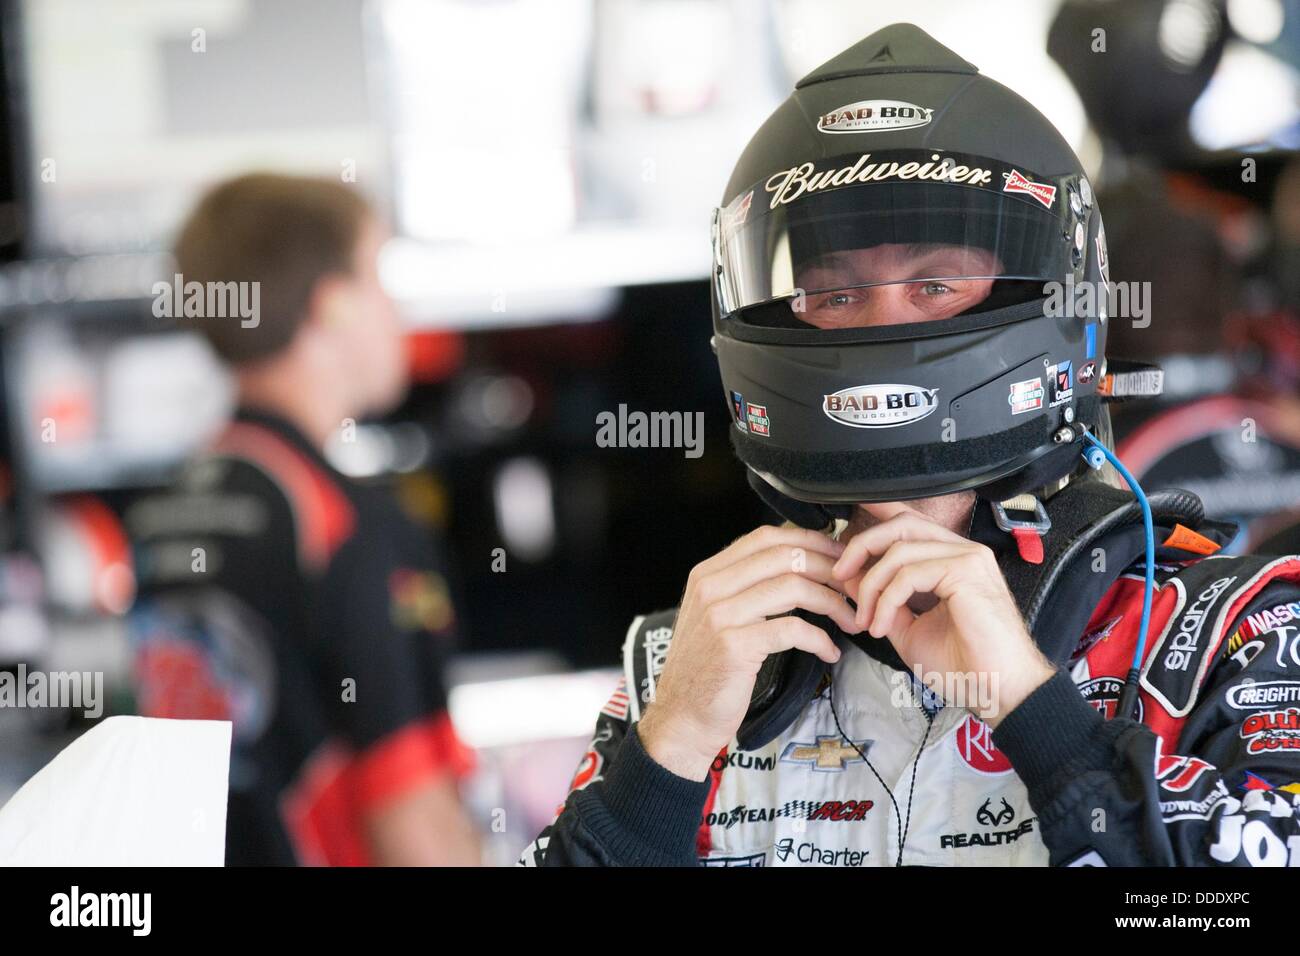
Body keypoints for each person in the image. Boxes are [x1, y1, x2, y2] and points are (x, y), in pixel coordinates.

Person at [521, 24, 1300, 867]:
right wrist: (667, 752)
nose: (885, 323)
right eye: (840, 294)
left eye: (935, 284)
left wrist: (1032, 709)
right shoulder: (685, 660)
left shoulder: (1227, 631)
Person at [127, 173, 480, 866]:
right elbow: (412, 819)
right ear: (334, 306)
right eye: (379, 279)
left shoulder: (161, 515)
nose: (397, 311)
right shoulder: (351, 522)